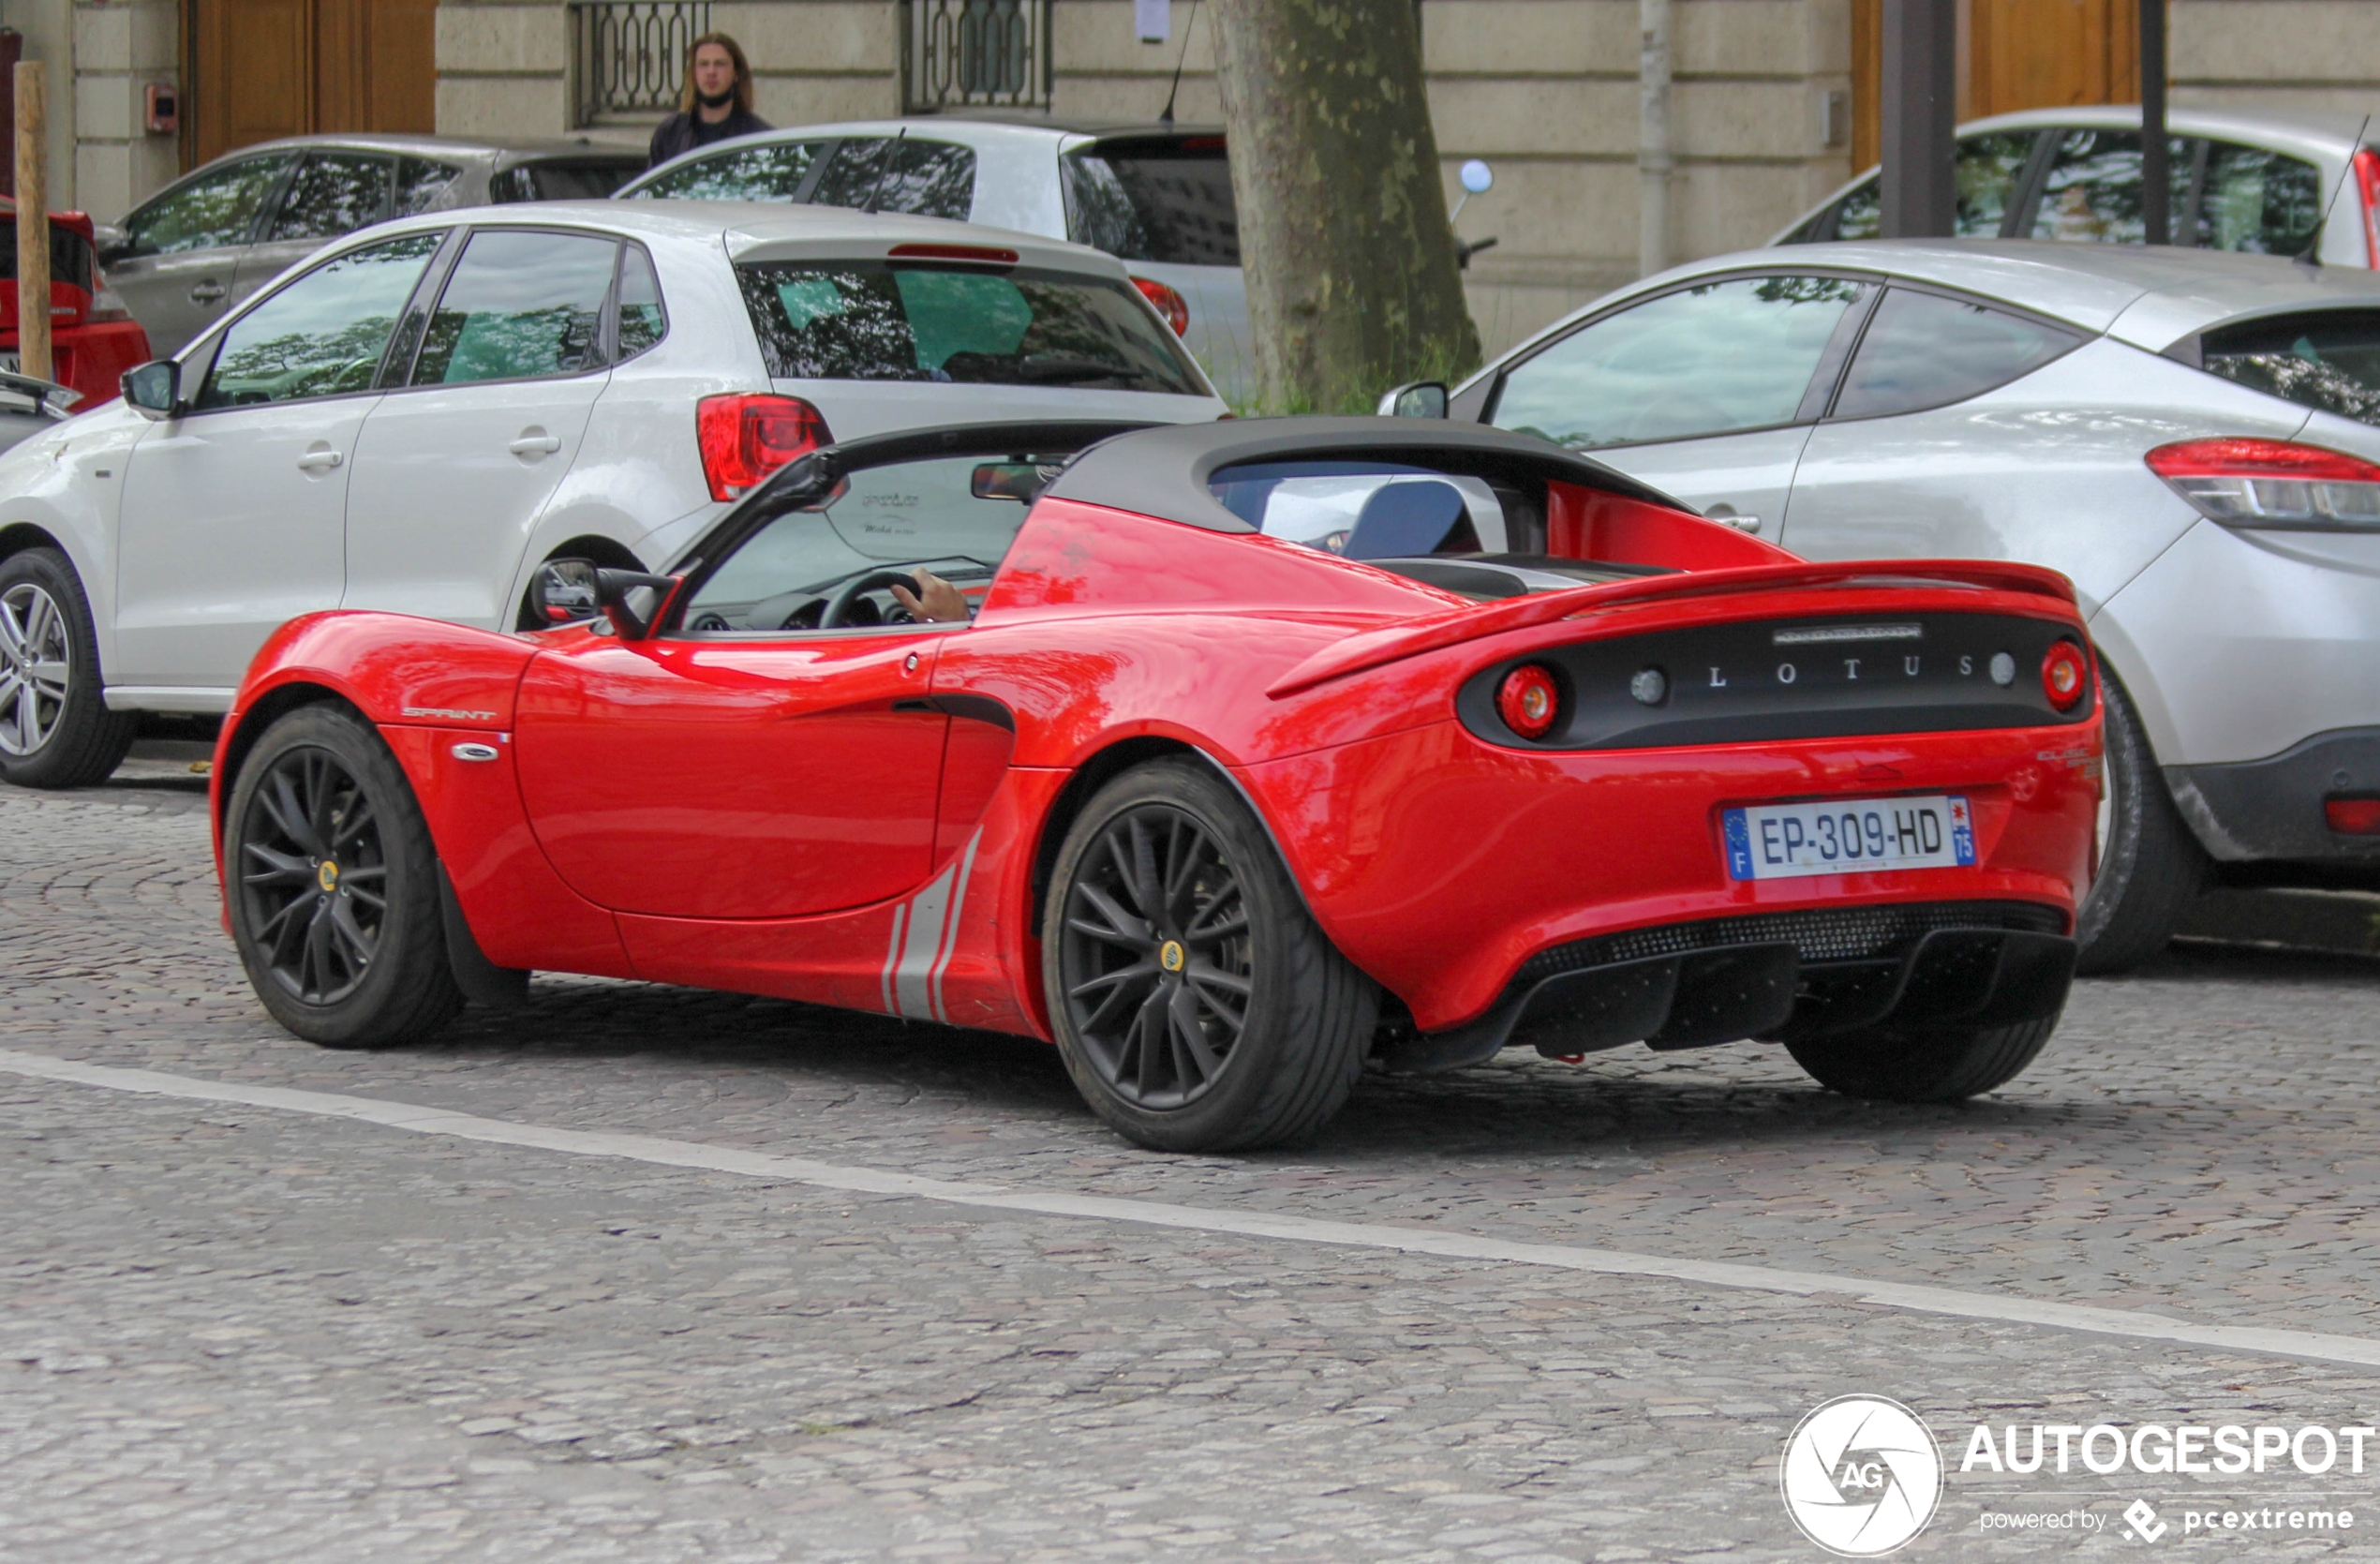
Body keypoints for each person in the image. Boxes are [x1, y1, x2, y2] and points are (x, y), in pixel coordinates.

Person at [647, 33, 770, 169]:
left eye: (720, 64)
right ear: (694, 73)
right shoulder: (670, 134)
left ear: (736, 74)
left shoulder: (759, 136)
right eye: (703, 64)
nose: (711, 71)